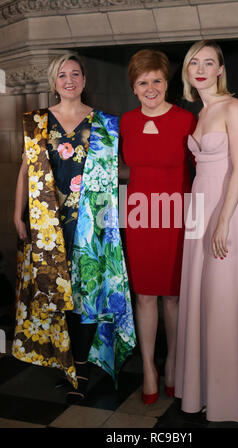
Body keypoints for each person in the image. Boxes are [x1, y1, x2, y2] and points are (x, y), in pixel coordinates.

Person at [13, 53, 136, 404]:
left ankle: (80, 366)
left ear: (84, 79)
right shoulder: (37, 122)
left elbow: (118, 171)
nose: (69, 80)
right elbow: (25, 170)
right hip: (46, 225)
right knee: (53, 291)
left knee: (84, 295)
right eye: (62, 75)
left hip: (90, 224)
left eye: (75, 74)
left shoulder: (105, 124)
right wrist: (16, 214)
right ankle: (61, 360)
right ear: (54, 82)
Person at [175, 40, 238, 426]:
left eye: (208, 62)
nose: (200, 68)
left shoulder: (234, 107)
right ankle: (205, 391)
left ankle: (235, 399)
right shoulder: (199, 114)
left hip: (228, 212)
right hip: (200, 210)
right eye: (193, 63)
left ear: (220, 69)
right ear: (187, 71)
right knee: (203, 301)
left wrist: (222, 221)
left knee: (224, 302)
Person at [119, 49, 196, 405]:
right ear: (134, 88)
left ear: (168, 83)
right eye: (142, 82)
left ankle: (174, 366)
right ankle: (148, 367)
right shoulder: (125, 122)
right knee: (145, 294)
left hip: (178, 215)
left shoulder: (187, 119)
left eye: (157, 81)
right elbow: (122, 171)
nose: (150, 88)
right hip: (137, 214)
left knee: (175, 297)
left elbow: (203, 170)